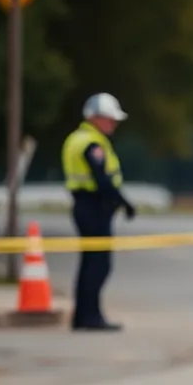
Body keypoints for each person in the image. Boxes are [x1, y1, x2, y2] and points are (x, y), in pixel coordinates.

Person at [62, 92, 137, 331]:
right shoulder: (91, 143)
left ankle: (82, 315)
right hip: (94, 207)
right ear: (96, 118)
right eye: (110, 119)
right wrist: (124, 202)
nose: (113, 124)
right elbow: (102, 179)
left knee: (90, 263)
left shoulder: (77, 138)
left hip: (85, 206)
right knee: (98, 265)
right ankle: (90, 316)